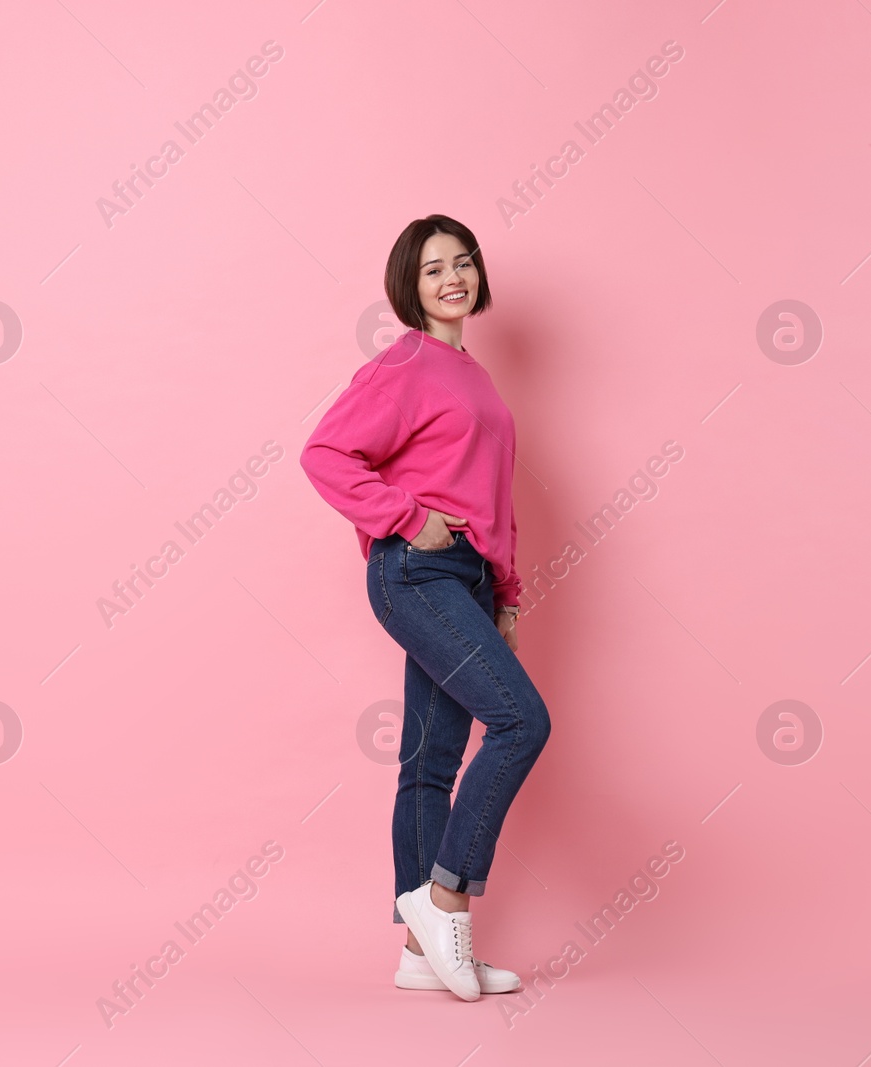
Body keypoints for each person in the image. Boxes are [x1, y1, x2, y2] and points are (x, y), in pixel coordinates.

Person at [299, 215, 551, 1001]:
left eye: (463, 263)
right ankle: (445, 901)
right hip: (415, 570)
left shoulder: (473, 374)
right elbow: (325, 452)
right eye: (434, 267)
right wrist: (408, 517)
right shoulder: (407, 362)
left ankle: (418, 952)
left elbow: (494, 495)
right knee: (520, 721)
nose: (452, 278)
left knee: (431, 758)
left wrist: (507, 592)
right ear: (408, 283)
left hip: (467, 577)